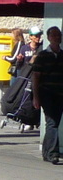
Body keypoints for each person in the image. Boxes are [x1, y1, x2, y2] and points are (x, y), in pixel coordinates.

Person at [32, 26, 63, 164]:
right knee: (52, 123)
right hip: (47, 94)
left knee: (54, 122)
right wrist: (36, 97)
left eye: (59, 35)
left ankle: (46, 152)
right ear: (49, 38)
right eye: (54, 35)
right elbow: (36, 77)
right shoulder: (43, 56)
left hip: (60, 94)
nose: (57, 37)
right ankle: (52, 153)